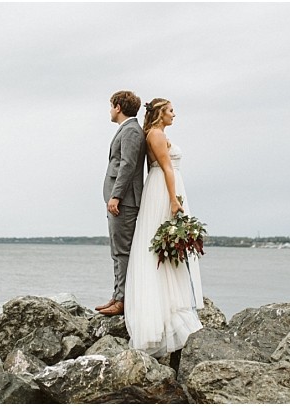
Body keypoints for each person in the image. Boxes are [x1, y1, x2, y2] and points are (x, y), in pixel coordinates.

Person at [124, 98, 204, 359]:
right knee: (162, 246)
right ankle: (163, 311)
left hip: (166, 187)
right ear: (159, 113)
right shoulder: (156, 135)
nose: (174, 114)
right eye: (171, 110)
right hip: (163, 190)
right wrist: (172, 199)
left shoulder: (158, 133)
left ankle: (172, 303)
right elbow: (166, 167)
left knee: (168, 250)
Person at [97, 90, 146, 316]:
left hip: (125, 201)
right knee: (117, 250)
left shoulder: (132, 131)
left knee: (122, 251)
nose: (109, 110)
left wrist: (116, 195)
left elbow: (127, 165)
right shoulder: (127, 129)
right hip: (121, 200)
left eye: (111, 106)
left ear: (118, 107)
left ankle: (122, 300)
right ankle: (118, 295)